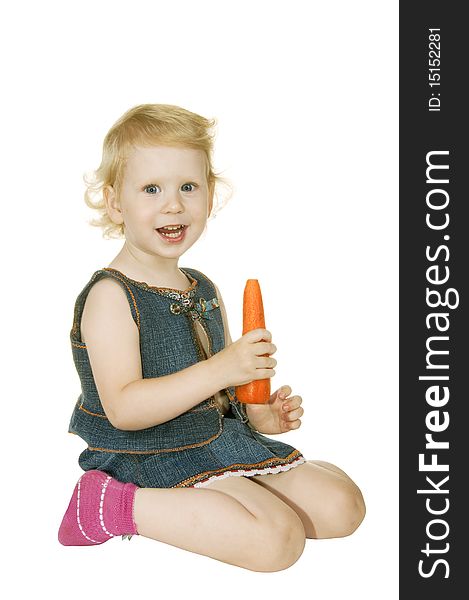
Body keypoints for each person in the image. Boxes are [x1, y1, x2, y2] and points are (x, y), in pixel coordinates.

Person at [58, 103, 365, 572]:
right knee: (276, 543)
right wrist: (224, 367)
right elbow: (125, 410)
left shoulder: (201, 288)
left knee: (344, 506)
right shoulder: (110, 296)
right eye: (151, 189)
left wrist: (257, 412)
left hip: (218, 440)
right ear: (115, 202)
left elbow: (217, 394)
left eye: (188, 186)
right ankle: (109, 505)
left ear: (209, 195)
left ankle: (232, 498)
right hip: (148, 453)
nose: (173, 204)